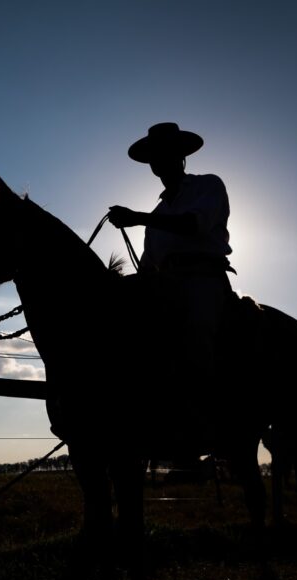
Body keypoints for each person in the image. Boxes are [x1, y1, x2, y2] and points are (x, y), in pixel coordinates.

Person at [107, 122, 233, 407]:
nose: (160, 160)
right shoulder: (156, 215)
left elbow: (194, 225)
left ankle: (204, 406)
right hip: (165, 284)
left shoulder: (208, 185)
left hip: (204, 278)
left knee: (198, 331)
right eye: (155, 156)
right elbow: (147, 270)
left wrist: (138, 218)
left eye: (167, 153)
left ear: (181, 156)